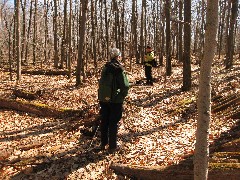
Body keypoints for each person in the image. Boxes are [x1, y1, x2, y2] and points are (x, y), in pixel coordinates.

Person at [98, 47, 129, 153]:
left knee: (104, 120)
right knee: (113, 122)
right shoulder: (119, 69)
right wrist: (121, 96)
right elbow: (125, 86)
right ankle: (112, 147)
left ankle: (103, 143)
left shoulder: (105, 67)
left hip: (103, 99)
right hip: (115, 101)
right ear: (118, 56)